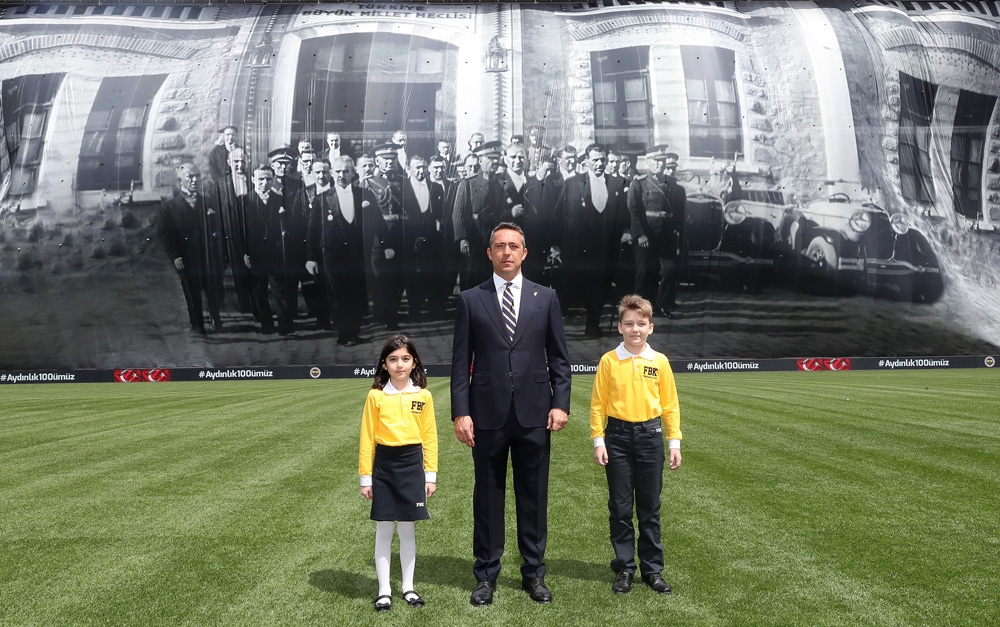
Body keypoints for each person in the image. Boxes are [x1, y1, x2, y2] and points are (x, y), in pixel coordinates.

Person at [450, 221, 571, 607]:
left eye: (513, 246)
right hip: (485, 415)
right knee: (487, 497)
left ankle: (534, 574)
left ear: (524, 253)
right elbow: (459, 364)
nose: (506, 252)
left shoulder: (546, 297)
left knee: (533, 498)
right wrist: (460, 412)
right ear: (488, 253)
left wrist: (560, 402)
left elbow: (560, 359)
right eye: (499, 246)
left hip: (535, 413)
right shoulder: (471, 299)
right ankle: (485, 575)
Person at [589, 294, 682, 595]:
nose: (635, 329)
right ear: (619, 327)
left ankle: (652, 570)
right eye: (629, 324)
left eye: (641, 324)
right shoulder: (609, 361)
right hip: (616, 439)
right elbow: (597, 404)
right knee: (619, 507)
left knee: (650, 508)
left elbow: (670, 405)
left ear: (651, 327)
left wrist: (674, 441)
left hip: (651, 438)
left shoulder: (660, 362)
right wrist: (598, 440)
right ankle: (625, 568)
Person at [359, 334, 438, 612]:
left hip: (412, 466)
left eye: (405, 359)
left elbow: (429, 437)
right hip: (384, 466)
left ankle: (408, 587)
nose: (399, 364)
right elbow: (367, 438)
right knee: (384, 529)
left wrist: (430, 475)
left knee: (407, 530)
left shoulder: (424, 396)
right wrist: (366, 478)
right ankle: (384, 591)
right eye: (393, 359)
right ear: (384, 365)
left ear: (414, 362)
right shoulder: (375, 396)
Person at [557, 143, 629, 337]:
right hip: (579, 246)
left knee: (601, 285)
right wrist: (559, 243)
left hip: (606, 246)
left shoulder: (617, 183)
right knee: (579, 284)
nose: (599, 163)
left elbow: (625, 213)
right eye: (595, 160)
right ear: (586, 161)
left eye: (602, 160)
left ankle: (592, 324)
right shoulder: (573, 183)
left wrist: (625, 232)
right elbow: (559, 214)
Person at [158, 162, 224, 334]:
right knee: (191, 290)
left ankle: (216, 318)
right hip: (187, 257)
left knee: (213, 288)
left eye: (196, 176)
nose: (194, 180)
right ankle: (197, 324)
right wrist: (175, 256)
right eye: (190, 176)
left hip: (209, 256)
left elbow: (218, 227)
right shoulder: (170, 207)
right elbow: (166, 235)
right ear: (181, 181)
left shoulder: (208, 202)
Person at [628, 147, 686, 317]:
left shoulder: (672, 184)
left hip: (666, 235)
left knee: (669, 270)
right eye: (656, 161)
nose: (660, 164)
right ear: (648, 162)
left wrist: (676, 231)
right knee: (644, 273)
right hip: (647, 234)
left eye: (662, 161)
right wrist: (640, 234)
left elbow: (677, 210)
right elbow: (634, 210)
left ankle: (661, 305)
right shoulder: (638, 183)